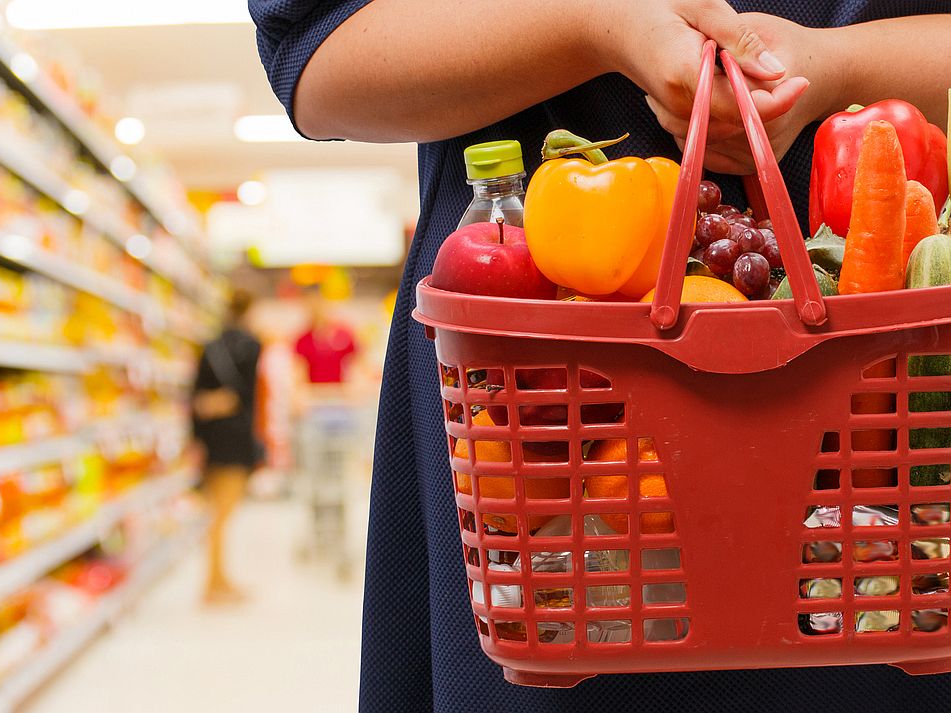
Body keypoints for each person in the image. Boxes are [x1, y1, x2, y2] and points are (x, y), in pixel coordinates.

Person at [250, 1, 951, 710]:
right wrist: (595, 25)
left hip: (897, 331)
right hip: (535, 359)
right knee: (560, 610)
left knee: (897, 617)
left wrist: (837, 68)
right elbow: (311, 53)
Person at [192, 289, 262, 605]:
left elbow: (195, 399)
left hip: (211, 438)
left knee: (216, 513)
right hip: (236, 439)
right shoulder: (253, 346)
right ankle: (214, 584)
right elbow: (251, 398)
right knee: (222, 515)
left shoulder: (209, 347)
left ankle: (218, 579)